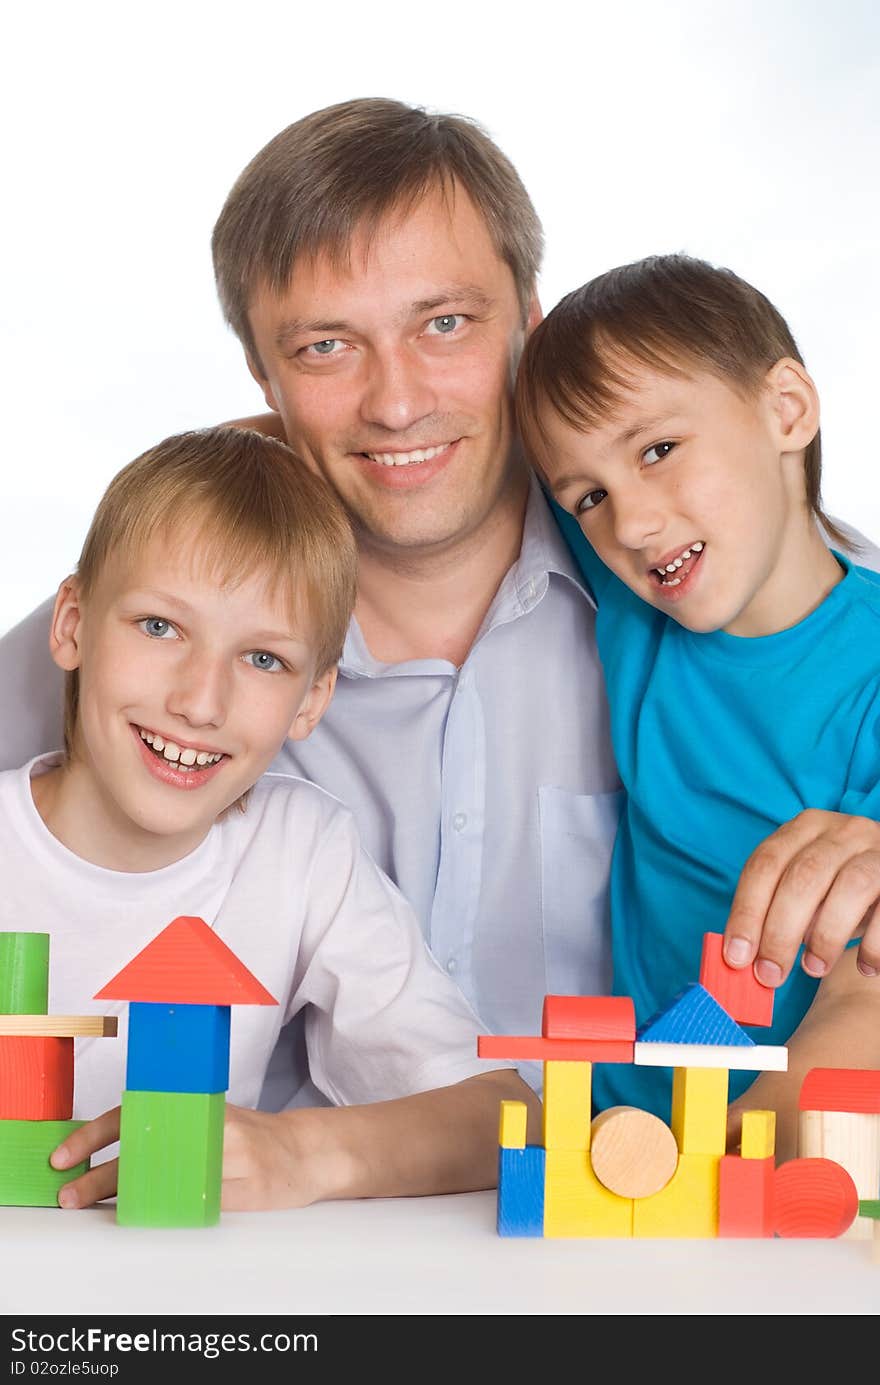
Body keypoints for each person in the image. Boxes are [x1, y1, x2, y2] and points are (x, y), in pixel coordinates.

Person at [2, 100, 880, 1114]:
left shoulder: (670, 576)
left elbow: (815, 618)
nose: (397, 401)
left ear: (529, 324)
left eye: (446, 324)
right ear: (263, 376)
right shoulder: (175, 615)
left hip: (611, 1213)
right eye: (324, 348)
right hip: (271, 1233)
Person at [0, 424, 539, 1211]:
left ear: (312, 699)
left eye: (263, 659)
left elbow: (502, 1112)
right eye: (160, 626)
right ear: (72, 623)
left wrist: (301, 1154)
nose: (199, 701)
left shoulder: (299, 849)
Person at [515, 252, 880, 1158]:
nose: (630, 521)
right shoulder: (637, 597)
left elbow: (862, 1010)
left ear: (786, 409)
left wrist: (712, 1165)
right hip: (614, 1127)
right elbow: (411, 447)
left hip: (772, 1151)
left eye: (659, 450)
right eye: (589, 495)